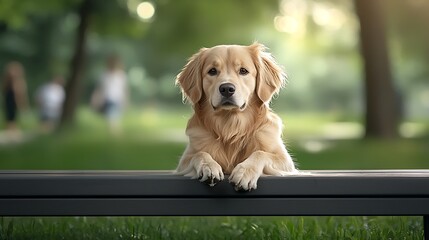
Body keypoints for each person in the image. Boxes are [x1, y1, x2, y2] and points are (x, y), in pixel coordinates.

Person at [93, 55, 128, 135]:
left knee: (113, 118)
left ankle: (115, 135)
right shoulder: (105, 75)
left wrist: (125, 101)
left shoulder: (121, 75)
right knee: (112, 119)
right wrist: (96, 99)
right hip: (107, 99)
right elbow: (99, 88)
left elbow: (125, 89)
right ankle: (115, 135)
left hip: (117, 99)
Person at [1, 61, 29, 136]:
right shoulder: (14, 82)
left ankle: (12, 131)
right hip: (11, 101)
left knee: (11, 117)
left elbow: (20, 94)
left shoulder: (15, 82)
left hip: (11, 101)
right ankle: (11, 131)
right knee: (11, 117)